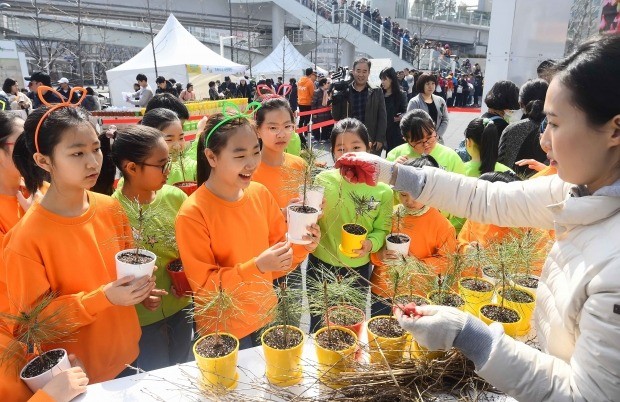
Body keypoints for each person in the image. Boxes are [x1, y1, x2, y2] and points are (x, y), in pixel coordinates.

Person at [334, 34, 620, 401]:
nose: (544, 141)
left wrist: (468, 335)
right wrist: (390, 172)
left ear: (615, 129)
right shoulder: (578, 189)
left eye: (555, 124)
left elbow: (583, 395)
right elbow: (487, 197)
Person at [4, 104, 162, 383]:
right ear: (43, 161)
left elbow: (120, 272)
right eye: (77, 153)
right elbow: (33, 326)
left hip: (129, 352)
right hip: (80, 375)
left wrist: (138, 291)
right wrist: (104, 298)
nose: (93, 162)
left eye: (96, 148)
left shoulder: (109, 208)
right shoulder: (26, 239)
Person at [175, 110, 320, 349]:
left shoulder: (259, 193)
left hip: (266, 316)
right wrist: (258, 266)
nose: (252, 163)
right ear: (211, 157)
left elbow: (282, 256)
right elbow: (204, 287)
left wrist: (304, 244)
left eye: (256, 151)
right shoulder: (193, 213)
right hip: (224, 329)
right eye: (240, 155)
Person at [108, 125, 192, 372]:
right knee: (155, 378)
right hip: (142, 320)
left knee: (184, 369)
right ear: (131, 168)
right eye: (162, 164)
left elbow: (190, 247)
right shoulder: (111, 211)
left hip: (182, 305)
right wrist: (139, 295)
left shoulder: (175, 197)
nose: (170, 170)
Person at [308, 118, 393, 332]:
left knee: (351, 327)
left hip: (357, 268)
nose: (348, 154)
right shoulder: (323, 180)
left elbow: (382, 229)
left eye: (356, 147)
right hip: (320, 263)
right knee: (319, 325)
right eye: (341, 149)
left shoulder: (383, 190)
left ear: (369, 147)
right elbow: (309, 215)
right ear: (333, 152)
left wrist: (371, 244)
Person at [370, 156, 456, 317]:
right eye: (403, 195)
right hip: (382, 289)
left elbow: (448, 261)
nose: (409, 201)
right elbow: (373, 245)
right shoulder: (390, 214)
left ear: (431, 191)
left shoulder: (442, 225)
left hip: (417, 293)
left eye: (416, 195)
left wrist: (416, 264)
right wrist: (379, 255)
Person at [331, 58, 387, 155]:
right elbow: (336, 116)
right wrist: (335, 99)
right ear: (353, 71)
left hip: (370, 139)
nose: (361, 74)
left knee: (368, 168)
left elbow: (382, 117)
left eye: (364, 71)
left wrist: (380, 138)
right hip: (349, 141)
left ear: (369, 72)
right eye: (358, 71)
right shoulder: (345, 91)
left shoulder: (376, 91)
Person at [498, 79, 549, 176]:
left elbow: (502, 166)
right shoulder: (558, 129)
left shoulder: (512, 129)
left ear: (521, 103)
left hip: (513, 187)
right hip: (550, 186)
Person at [141, 108, 196, 185]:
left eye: (181, 138)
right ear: (148, 141)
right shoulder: (139, 176)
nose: (177, 146)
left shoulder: (190, 167)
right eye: (169, 140)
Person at [406, 73, 449, 143]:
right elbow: (410, 123)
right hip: (420, 141)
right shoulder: (414, 102)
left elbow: (445, 119)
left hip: (437, 140)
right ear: (421, 85)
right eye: (427, 84)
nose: (431, 86)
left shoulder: (440, 100)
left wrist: (437, 135)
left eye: (433, 83)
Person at [380, 67, 407, 152]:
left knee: (392, 159)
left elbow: (405, 111)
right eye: (381, 79)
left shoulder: (401, 94)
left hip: (394, 132)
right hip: (380, 132)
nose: (382, 82)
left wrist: (401, 116)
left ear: (392, 79)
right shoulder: (379, 93)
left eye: (385, 79)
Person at [311, 77, 332, 143]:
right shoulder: (317, 92)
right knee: (316, 126)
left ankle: (324, 138)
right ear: (323, 84)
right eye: (328, 83)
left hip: (326, 113)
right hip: (318, 113)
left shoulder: (329, 92)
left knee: (325, 126)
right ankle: (316, 138)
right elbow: (313, 103)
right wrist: (314, 114)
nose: (329, 85)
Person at [297, 68, 317, 133]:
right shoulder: (310, 82)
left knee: (301, 118)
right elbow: (312, 94)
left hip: (300, 102)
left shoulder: (300, 80)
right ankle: (306, 133)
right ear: (311, 74)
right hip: (307, 103)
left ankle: (299, 132)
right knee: (307, 119)